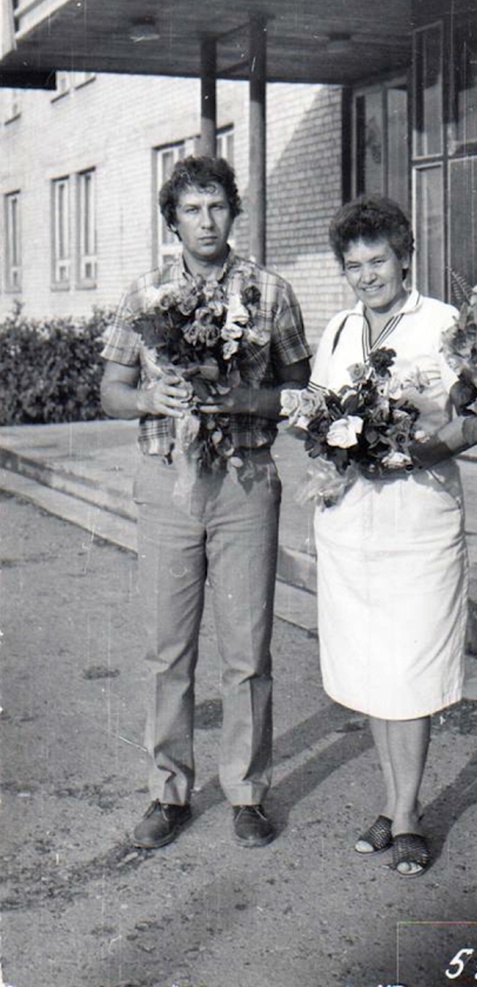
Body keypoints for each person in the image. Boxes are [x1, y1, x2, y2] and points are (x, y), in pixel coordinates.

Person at [100, 155, 311, 850]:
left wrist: (248, 398)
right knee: (168, 649)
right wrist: (148, 397)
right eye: (191, 209)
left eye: (217, 205)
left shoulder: (270, 291)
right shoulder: (145, 293)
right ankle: (168, 792)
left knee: (248, 649)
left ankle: (247, 792)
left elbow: (302, 392)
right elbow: (110, 390)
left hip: (245, 481)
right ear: (173, 221)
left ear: (233, 211)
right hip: (169, 481)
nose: (206, 220)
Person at [308, 194, 477, 876]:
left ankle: (408, 814)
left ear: (405, 257)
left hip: (418, 518)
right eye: (353, 265)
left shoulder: (442, 324)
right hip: (351, 521)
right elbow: (320, 414)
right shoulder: (337, 330)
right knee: (370, 668)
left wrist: (421, 450)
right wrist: (326, 446)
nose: (366, 276)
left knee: (408, 668)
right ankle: (392, 803)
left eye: (378, 260)